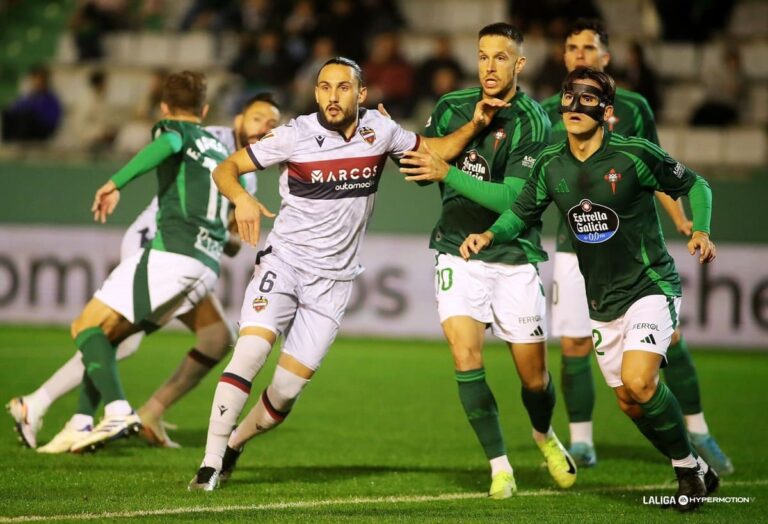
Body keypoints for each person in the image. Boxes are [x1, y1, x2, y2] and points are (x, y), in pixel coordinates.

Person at [188, 56, 506, 491]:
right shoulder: (294, 135)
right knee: (249, 352)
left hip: (332, 283)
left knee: (284, 393)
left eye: (342, 88)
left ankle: (234, 446)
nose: (331, 97)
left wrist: (474, 126)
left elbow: (431, 152)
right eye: (324, 87)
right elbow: (225, 168)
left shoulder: (381, 131)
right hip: (284, 263)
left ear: (361, 94)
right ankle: (208, 463)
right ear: (315, 92)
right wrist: (241, 198)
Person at [460, 68, 720, 512]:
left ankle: (686, 470)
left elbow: (696, 183)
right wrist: (489, 235)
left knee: (641, 381)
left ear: (606, 111)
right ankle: (697, 464)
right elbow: (521, 212)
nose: (576, 105)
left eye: (588, 97)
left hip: (649, 284)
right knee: (628, 400)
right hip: (601, 301)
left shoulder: (634, 154)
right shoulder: (550, 164)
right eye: (569, 96)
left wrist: (701, 229)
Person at [7, 93, 281, 452]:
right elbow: (169, 153)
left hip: (189, 256)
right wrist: (117, 182)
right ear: (239, 118)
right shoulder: (209, 140)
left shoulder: (251, 170)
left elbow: (225, 237)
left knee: (214, 338)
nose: (266, 127)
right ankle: (68, 413)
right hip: (159, 246)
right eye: (258, 118)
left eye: (274, 123)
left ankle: (129, 414)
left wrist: (233, 234)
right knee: (113, 337)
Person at [538, 18, 732, 474]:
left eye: (589, 47)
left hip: (631, 240)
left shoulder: (634, 107)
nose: (579, 54)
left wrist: (683, 218)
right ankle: (582, 441)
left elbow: (656, 167)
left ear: (606, 58)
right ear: (564, 57)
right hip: (575, 246)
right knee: (574, 346)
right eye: (571, 47)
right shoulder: (548, 110)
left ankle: (698, 431)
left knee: (669, 341)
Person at [398, 23, 576, 499]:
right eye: (482, 56)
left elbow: (514, 200)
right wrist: (464, 134)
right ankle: (500, 466)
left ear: (519, 64)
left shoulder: (536, 122)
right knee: (465, 356)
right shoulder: (452, 106)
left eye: (501, 58)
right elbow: (419, 167)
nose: (489, 66)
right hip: (455, 249)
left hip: (513, 255)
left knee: (534, 379)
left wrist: (447, 170)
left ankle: (543, 435)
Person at [1, 65, 62, 142]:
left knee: (26, 116)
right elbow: (15, 107)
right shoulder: (29, 97)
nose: (37, 82)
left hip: (41, 130)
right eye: (35, 79)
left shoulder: (51, 99)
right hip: (25, 126)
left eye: (40, 79)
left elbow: (50, 121)